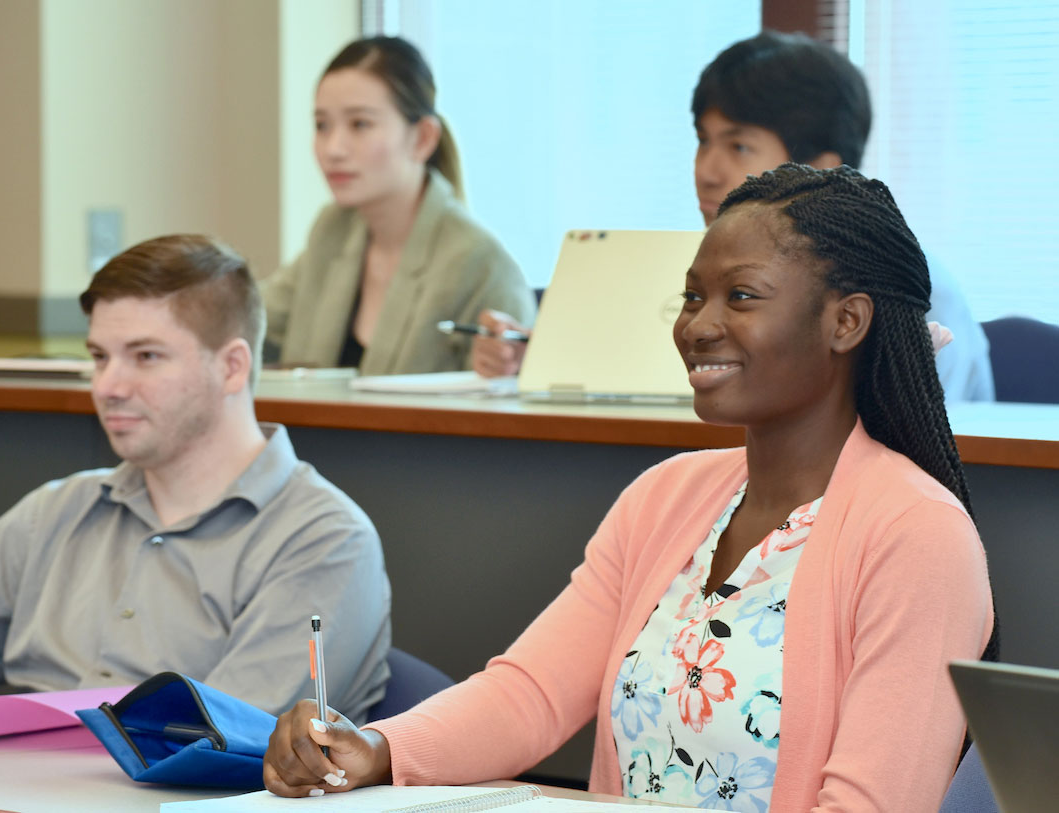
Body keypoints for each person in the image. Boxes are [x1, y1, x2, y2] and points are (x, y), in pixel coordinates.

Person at [262, 164, 994, 811]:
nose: (698, 326)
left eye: (740, 296)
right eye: (691, 297)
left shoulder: (918, 532)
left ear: (846, 321)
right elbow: (531, 693)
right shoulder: (665, 496)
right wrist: (377, 747)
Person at [0, 235, 391, 720]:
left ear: (232, 367)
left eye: (146, 356)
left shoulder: (322, 540)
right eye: (99, 357)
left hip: (165, 795)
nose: (108, 386)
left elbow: (229, 748)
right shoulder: (52, 512)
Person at [473, 31, 995, 404]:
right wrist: (530, 364)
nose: (706, 170)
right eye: (703, 141)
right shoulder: (696, 280)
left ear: (822, 169)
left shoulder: (915, 290)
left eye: (739, 145)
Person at [261, 36, 537, 374]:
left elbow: (510, 401)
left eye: (359, 124)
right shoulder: (333, 229)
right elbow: (251, 328)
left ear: (422, 139)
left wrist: (504, 365)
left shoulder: (480, 264)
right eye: (322, 126)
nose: (333, 148)